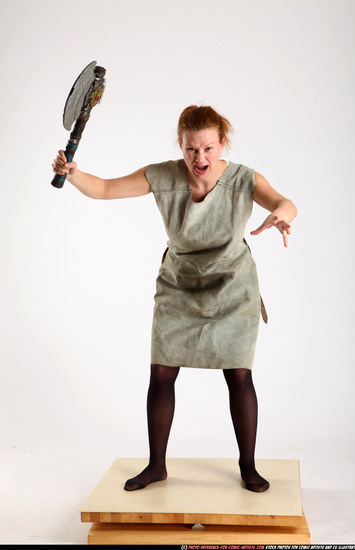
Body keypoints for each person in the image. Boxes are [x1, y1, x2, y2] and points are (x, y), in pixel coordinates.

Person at [52, 105, 297, 493]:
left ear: (222, 144)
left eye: (209, 149)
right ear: (180, 145)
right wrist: (75, 173)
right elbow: (104, 189)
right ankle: (156, 465)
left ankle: (248, 466)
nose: (200, 158)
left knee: (238, 374)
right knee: (162, 372)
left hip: (234, 285)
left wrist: (282, 215)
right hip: (179, 282)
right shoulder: (163, 176)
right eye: (190, 149)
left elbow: (285, 202)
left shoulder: (244, 179)